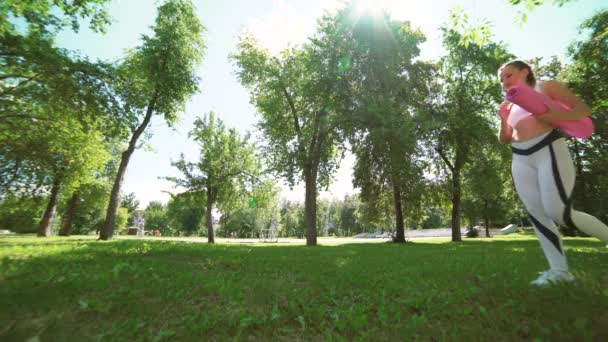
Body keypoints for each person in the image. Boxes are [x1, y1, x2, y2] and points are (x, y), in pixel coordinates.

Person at [497, 60, 608, 286]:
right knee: (537, 214)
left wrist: (554, 118)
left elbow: (583, 109)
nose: (504, 82)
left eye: (508, 75)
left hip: (548, 148)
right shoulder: (509, 105)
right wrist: (502, 120)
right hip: (520, 157)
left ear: (525, 71)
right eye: (501, 80)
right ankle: (559, 272)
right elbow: (504, 139)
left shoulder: (545, 87)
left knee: (558, 211)